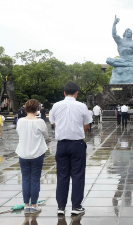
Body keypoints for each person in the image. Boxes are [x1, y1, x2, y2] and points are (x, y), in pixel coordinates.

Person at [49, 81, 92, 215]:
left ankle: (61, 207)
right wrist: (77, 133)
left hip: (61, 144)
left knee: (62, 176)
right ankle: (76, 206)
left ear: (64, 92)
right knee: (78, 175)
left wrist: (63, 131)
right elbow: (87, 125)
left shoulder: (56, 106)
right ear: (76, 93)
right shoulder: (82, 106)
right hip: (77, 143)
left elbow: (54, 123)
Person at [15, 99, 48, 213]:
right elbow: (46, 134)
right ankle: (34, 205)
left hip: (23, 153)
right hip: (37, 153)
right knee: (35, 179)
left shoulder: (20, 121)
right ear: (37, 109)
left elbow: (19, 133)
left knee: (25, 179)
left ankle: (26, 205)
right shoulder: (40, 122)